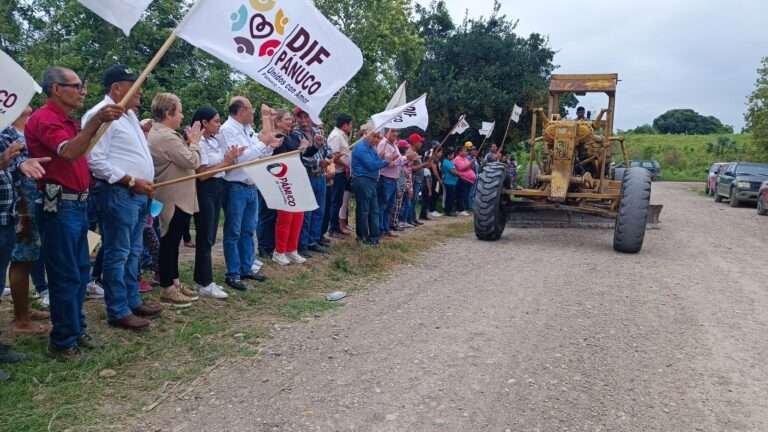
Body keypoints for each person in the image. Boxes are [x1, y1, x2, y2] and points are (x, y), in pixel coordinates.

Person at [26, 66, 123, 360]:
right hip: (59, 206)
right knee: (65, 274)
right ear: (56, 89)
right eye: (77, 86)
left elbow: (80, 152)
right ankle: (62, 340)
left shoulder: (68, 121)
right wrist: (95, 121)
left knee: (80, 270)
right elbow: (68, 152)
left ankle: (76, 328)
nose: (83, 91)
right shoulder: (45, 119)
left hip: (78, 204)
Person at [85, 64, 162, 330]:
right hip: (119, 193)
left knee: (134, 251)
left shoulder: (128, 115)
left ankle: (132, 300)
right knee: (118, 252)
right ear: (117, 88)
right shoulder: (100, 115)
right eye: (134, 86)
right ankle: (118, 309)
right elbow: (94, 160)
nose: (140, 91)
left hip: (139, 194)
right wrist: (130, 180)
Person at [148, 93, 202, 307]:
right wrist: (194, 143)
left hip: (179, 196)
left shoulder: (165, 134)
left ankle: (175, 282)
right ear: (168, 113)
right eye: (179, 111)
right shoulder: (166, 137)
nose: (182, 116)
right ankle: (167, 288)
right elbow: (192, 161)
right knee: (169, 242)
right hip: (173, 198)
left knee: (173, 241)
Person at [219, 98, 279, 290]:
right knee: (233, 231)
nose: (253, 112)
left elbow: (261, 154)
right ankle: (233, 273)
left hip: (251, 185)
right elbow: (241, 158)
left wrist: (269, 146)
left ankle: (247, 267)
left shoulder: (247, 129)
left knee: (248, 230)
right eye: (251, 109)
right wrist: (263, 144)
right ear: (241, 110)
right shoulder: (227, 129)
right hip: (235, 185)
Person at [1, 107, 50, 335]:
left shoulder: (23, 130)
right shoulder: (6, 130)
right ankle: (21, 319)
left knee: (29, 258)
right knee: (21, 258)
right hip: (21, 205)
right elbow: (13, 166)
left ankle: (24, 309)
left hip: (31, 202)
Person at [191, 106, 242, 299]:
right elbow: (202, 173)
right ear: (204, 123)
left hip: (219, 186)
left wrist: (231, 159)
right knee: (205, 235)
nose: (219, 125)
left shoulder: (215, 139)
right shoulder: (198, 142)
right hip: (205, 189)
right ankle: (204, 282)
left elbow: (224, 165)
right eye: (216, 121)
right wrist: (225, 162)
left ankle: (203, 278)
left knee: (211, 235)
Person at [271, 109, 306, 266]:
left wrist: (310, 147)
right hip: (283, 180)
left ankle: (292, 249)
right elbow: (283, 157)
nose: (290, 122)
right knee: (285, 217)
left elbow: (300, 155)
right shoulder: (277, 137)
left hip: (296, 178)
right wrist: (300, 149)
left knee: (298, 215)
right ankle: (279, 251)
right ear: (278, 122)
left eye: (291, 119)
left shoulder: (293, 136)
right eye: (287, 119)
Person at [296, 109, 331, 256]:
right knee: (307, 212)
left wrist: (328, 159)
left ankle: (314, 240)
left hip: (320, 175)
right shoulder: (297, 134)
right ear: (296, 119)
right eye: (301, 117)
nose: (304, 120)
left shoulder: (318, 132)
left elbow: (328, 149)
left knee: (319, 210)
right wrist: (318, 162)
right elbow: (300, 157)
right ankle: (303, 243)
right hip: (306, 175)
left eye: (306, 117)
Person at [351, 130, 393, 245]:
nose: (376, 140)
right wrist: (386, 162)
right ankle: (362, 236)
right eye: (374, 136)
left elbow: (376, 161)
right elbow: (371, 165)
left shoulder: (371, 148)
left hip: (371, 181)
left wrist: (382, 160)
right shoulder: (360, 148)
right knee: (363, 209)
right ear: (366, 135)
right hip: (362, 180)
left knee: (374, 210)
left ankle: (374, 237)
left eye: (378, 137)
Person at [326, 114, 353, 237]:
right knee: (335, 201)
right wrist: (346, 165)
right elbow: (333, 157)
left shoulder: (342, 136)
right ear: (345, 125)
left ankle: (337, 226)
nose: (351, 127)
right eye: (350, 124)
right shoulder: (336, 136)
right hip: (336, 173)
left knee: (339, 200)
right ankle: (333, 229)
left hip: (342, 172)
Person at [376, 129, 401, 238]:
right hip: (385, 177)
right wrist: (394, 161)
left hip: (393, 178)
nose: (395, 135)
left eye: (396, 133)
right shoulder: (383, 144)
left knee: (389, 206)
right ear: (387, 133)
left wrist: (399, 160)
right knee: (383, 205)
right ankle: (380, 229)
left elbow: (398, 159)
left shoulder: (394, 145)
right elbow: (381, 160)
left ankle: (386, 228)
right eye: (392, 133)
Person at [453, 144, 477, 216]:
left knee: (466, 195)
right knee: (462, 195)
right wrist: (471, 162)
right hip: (463, 179)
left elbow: (469, 167)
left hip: (469, 180)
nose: (467, 152)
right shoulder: (457, 159)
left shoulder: (465, 158)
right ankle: (461, 209)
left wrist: (472, 163)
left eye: (466, 151)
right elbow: (462, 168)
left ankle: (465, 208)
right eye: (465, 151)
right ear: (460, 152)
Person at [441, 149, 460, 216]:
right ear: (448, 155)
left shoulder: (449, 162)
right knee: (450, 197)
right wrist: (459, 174)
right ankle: (448, 211)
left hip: (452, 182)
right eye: (452, 155)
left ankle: (449, 210)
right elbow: (453, 171)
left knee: (451, 197)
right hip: (449, 182)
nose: (453, 156)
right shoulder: (446, 162)